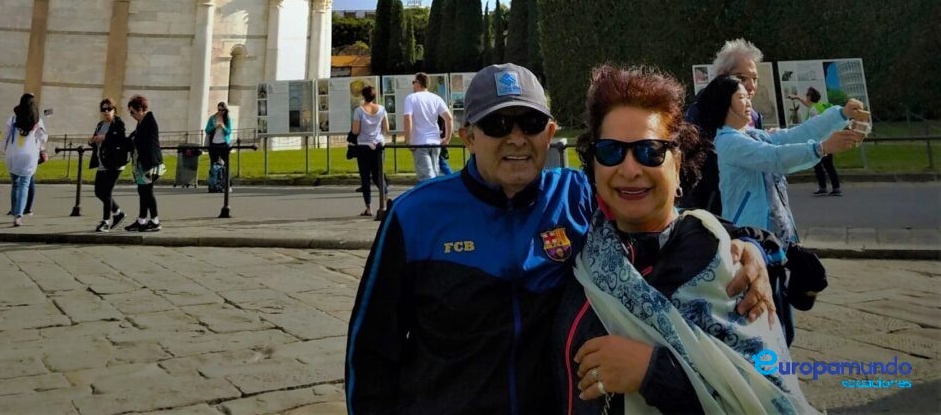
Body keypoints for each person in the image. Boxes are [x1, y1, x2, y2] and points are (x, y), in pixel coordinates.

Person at [345, 63, 774, 415]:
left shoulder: (576, 195)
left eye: (530, 122)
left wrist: (750, 246)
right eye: (497, 124)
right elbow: (371, 353)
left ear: (550, 133)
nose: (516, 137)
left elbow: (660, 218)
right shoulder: (415, 216)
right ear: (468, 136)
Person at [555, 64, 815, 414]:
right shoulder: (582, 250)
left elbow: (769, 402)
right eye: (611, 151)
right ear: (594, 165)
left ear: (677, 163)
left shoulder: (729, 268)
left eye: (650, 151)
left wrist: (653, 374)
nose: (630, 169)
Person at [693, 75, 864, 244]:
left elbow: (797, 134)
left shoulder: (754, 135)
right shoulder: (729, 142)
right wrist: (821, 148)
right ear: (724, 103)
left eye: (747, 97)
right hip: (751, 240)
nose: (748, 103)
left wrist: (841, 114)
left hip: (777, 234)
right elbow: (775, 157)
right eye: (740, 97)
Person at [683, 38, 765, 213]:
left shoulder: (754, 116)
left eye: (755, 79)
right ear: (722, 75)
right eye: (742, 78)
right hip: (712, 210)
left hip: (749, 208)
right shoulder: (700, 112)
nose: (751, 86)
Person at [0, 92, 46, 227]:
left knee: (15, 184)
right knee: (24, 184)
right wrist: (42, 149)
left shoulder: (13, 120)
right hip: (29, 155)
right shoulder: (37, 121)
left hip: (13, 155)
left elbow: (4, 137)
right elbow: (43, 138)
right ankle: (19, 215)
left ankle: (14, 210)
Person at [402, 72, 451, 183]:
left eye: (414, 82)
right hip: (435, 142)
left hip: (419, 142)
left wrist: (409, 140)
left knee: (427, 178)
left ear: (419, 83)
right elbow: (449, 118)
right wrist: (447, 138)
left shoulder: (411, 98)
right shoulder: (436, 98)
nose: (413, 85)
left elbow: (407, 119)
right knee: (434, 173)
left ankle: (434, 198)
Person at [792, 88, 841, 196]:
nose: (806, 97)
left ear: (810, 97)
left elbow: (813, 126)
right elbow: (808, 105)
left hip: (818, 142)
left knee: (817, 164)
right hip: (828, 139)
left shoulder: (813, 110)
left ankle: (823, 187)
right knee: (829, 165)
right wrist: (798, 98)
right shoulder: (821, 106)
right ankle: (836, 187)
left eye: (807, 95)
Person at [89, 97, 128, 231]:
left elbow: (121, 139)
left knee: (106, 192)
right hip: (102, 162)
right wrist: (92, 141)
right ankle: (118, 213)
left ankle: (105, 221)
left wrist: (105, 137)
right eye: (104, 109)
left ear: (114, 110)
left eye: (109, 109)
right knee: (98, 192)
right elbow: (96, 139)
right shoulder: (100, 125)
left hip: (115, 163)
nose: (106, 112)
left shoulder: (118, 123)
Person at [126, 94, 163, 232]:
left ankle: (155, 221)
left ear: (141, 109)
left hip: (150, 164)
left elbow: (142, 142)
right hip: (143, 164)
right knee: (143, 192)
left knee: (147, 192)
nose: (131, 115)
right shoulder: (141, 122)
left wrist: (132, 140)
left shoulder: (149, 121)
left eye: (132, 112)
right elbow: (133, 138)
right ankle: (142, 220)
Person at [351, 86, 388, 216]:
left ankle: (368, 207)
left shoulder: (359, 111)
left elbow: (356, 130)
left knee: (365, 177)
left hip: (363, 145)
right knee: (379, 174)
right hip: (378, 144)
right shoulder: (382, 109)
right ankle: (384, 200)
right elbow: (386, 128)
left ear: (363, 96)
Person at [204, 101, 232, 195]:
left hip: (224, 144)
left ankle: (227, 185)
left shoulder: (227, 119)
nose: (220, 112)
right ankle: (213, 185)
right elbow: (207, 130)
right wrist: (214, 126)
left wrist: (223, 126)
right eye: (219, 110)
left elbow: (229, 132)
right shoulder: (212, 118)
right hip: (214, 144)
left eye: (222, 110)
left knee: (226, 165)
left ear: (225, 110)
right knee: (213, 165)